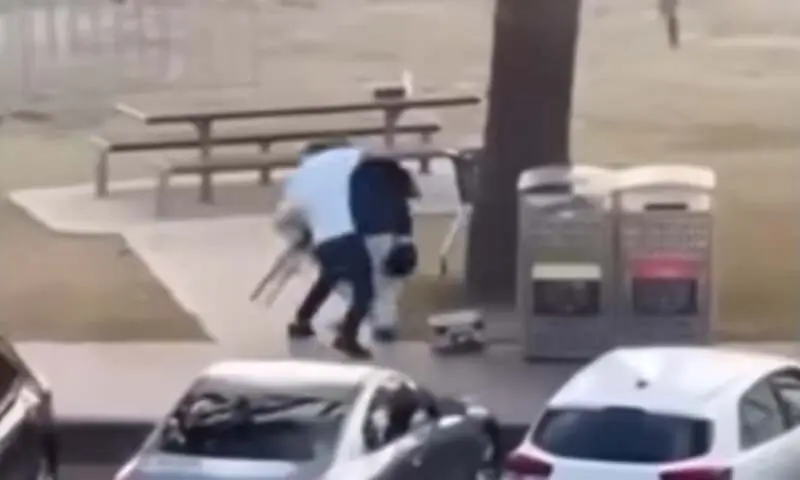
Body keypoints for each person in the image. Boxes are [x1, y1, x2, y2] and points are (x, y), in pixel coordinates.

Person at [278, 139, 375, 359]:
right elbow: (370, 157)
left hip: (323, 241)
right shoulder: (345, 158)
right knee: (365, 289)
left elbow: (289, 215)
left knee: (329, 278)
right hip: (346, 235)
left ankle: (302, 320)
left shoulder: (297, 179)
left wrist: (302, 236)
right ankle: (348, 335)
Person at [349, 154, 419, 342]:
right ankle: (385, 325)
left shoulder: (354, 178)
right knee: (387, 282)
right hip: (386, 233)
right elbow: (402, 211)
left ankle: (370, 314)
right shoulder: (395, 178)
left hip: (359, 233)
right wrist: (405, 239)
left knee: (365, 278)